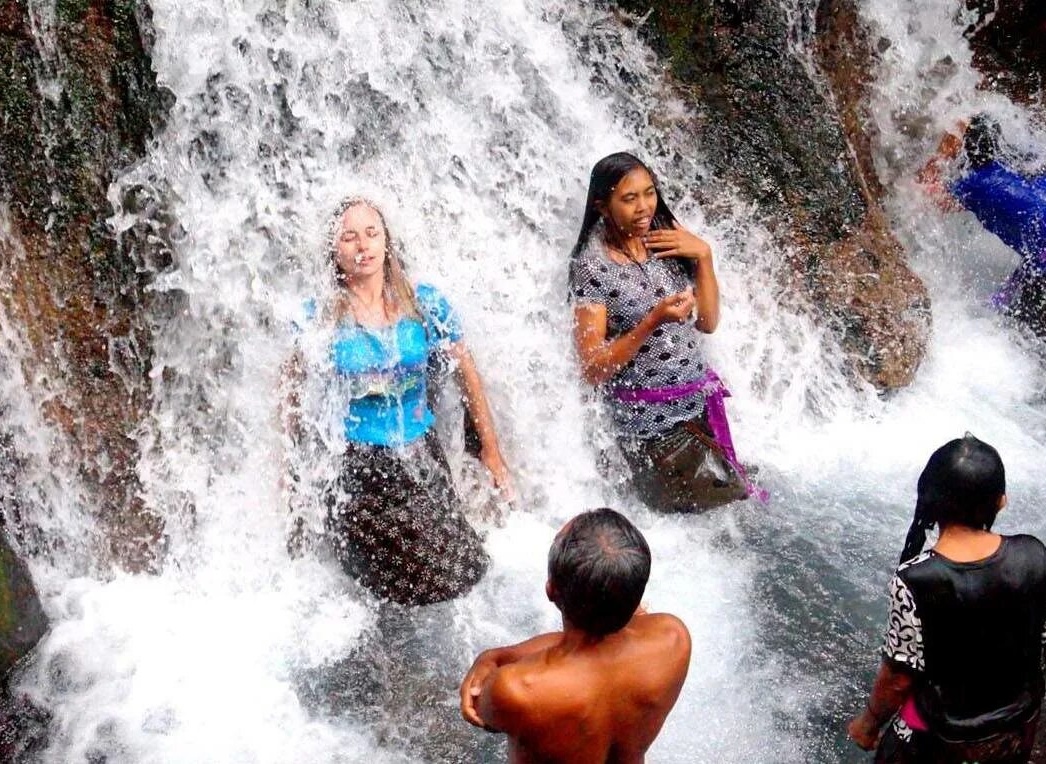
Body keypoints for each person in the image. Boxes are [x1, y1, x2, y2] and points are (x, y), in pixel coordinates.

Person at [281, 198, 512, 605]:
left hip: (421, 453)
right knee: (398, 589)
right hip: (357, 467)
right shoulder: (318, 316)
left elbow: (467, 377)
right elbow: (290, 397)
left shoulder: (425, 304)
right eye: (349, 237)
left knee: (468, 568)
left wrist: (491, 451)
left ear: (387, 241)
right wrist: (290, 474)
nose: (362, 246)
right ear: (334, 250)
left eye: (372, 233)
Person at [848, 435, 1046, 763]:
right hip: (1011, 738)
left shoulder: (914, 579)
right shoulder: (1034, 556)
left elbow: (898, 678)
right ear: (1001, 501)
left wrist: (868, 722)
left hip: (940, 742)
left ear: (930, 500)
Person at [568, 152, 754, 511]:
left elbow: (708, 322)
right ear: (602, 206)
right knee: (734, 518)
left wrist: (704, 256)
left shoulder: (665, 241)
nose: (643, 207)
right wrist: (652, 321)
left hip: (698, 411)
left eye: (649, 193)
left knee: (737, 513)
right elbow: (592, 368)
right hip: (654, 431)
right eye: (629, 198)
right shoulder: (592, 268)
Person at [459, 508, 690, 764]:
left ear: (551, 591)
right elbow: (590, 645)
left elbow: (482, 712)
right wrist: (498, 655)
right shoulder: (673, 638)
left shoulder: (517, 689)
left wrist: (491, 658)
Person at [918, 113, 1046, 345]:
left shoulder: (981, 185)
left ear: (967, 157)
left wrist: (942, 153)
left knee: (1016, 336)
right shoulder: (1036, 160)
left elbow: (925, 193)